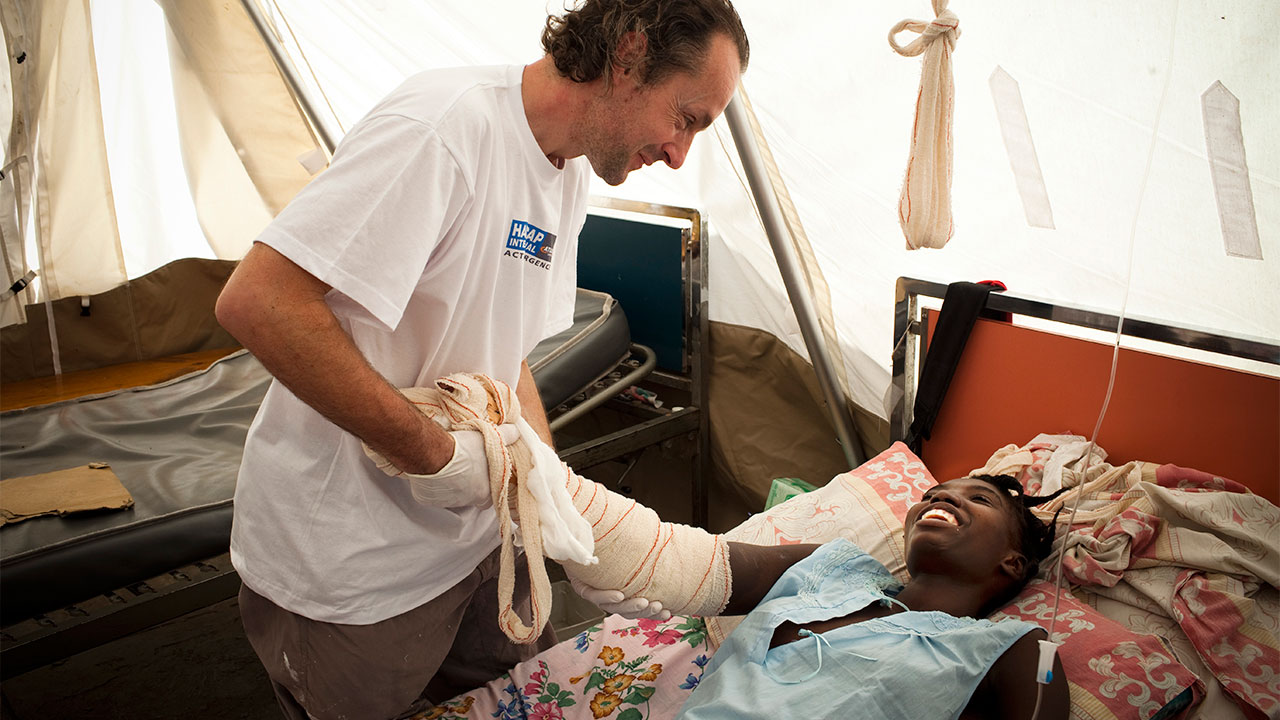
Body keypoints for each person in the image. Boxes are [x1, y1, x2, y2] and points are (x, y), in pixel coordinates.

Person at [213, 2, 749, 718]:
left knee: (526, 700)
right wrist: (435, 455)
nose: (680, 154)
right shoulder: (443, 130)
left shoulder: (565, 170)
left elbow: (508, 354)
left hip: (477, 549)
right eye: (686, 118)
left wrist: (550, 502)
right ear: (628, 57)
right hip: (356, 571)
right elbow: (260, 302)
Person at [675, 474, 1071, 720]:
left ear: (1013, 563)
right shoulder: (830, 565)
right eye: (933, 493)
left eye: (980, 500)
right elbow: (692, 566)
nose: (940, 500)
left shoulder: (1012, 649)